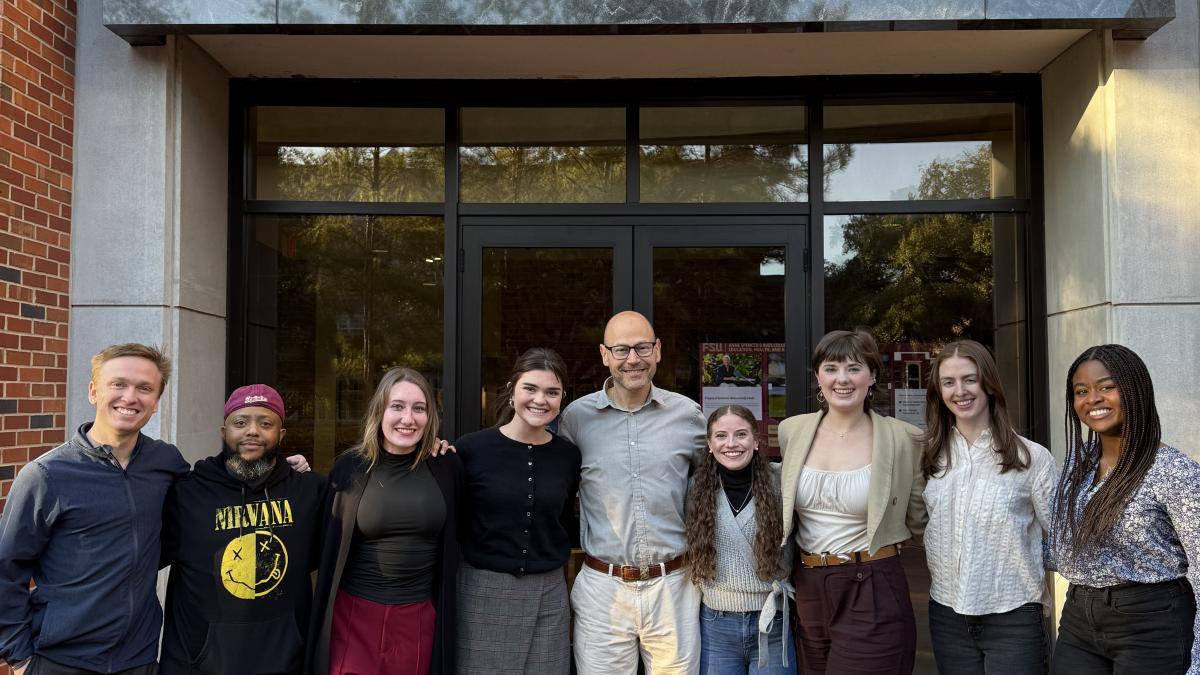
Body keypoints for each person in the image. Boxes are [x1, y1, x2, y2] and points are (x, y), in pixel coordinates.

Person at [0, 343, 189, 675]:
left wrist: (281, 473)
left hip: (139, 659)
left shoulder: (166, 462)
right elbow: (7, 568)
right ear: (93, 391)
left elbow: (210, 495)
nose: (130, 397)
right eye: (118, 384)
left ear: (156, 401)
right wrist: (19, 658)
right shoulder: (46, 475)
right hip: (60, 661)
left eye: (144, 388)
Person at [559, 310, 707, 674]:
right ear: (604, 355)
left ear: (658, 350)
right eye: (621, 349)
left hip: (674, 586)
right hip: (603, 589)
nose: (633, 359)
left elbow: (719, 482)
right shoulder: (576, 419)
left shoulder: (688, 416)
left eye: (642, 347)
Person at [778, 329, 926, 675]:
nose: (842, 379)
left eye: (854, 368)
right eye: (831, 368)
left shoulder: (904, 438)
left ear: (872, 376)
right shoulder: (792, 431)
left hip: (872, 585)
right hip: (808, 587)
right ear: (818, 376)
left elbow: (921, 521)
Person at [1048, 344, 1199, 675]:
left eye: (1106, 387)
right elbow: (1063, 545)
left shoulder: (1174, 471)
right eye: (1081, 391)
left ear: (1134, 390)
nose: (1093, 399)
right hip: (1079, 616)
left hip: (1152, 621)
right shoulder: (1078, 462)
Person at [159, 384, 327, 675]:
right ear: (223, 432)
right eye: (240, 422)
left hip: (287, 662)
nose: (252, 431)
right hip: (200, 664)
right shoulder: (186, 494)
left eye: (265, 423)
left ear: (281, 434)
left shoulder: (310, 492)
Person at [308, 367, 462, 675]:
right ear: (379, 411)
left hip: (417, 620)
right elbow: (322, 539)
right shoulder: (350, 468)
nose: (408, 418)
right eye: (397, 406)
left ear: (430, 417)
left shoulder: (446, 467)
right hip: (354, 618)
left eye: (419, 409)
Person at [920, 340, 1056, 674]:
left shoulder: (1031, 458)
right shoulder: (929, 455)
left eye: (970, 379)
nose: (960, 391)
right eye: (948, 382)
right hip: (947, 615)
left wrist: (1023, 558)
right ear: (938, 391)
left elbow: (1061, 536)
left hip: (1013, 616)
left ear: (989, 384)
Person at [454, 348, 581, 674]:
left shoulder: (568, 456)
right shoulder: (470, 449)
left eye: (552, 392)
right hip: (483, 592)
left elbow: (562, 521)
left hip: (549, 595)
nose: (541, 400)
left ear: (562, 399)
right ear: (512, 390)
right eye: (530, 388)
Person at [686, 405, 795, 675]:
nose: (731, 444)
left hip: (772, 621)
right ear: (709, 444)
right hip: (716, 625)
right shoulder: (695, 489)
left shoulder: (781, 482)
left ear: (756, 441)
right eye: (721, 436)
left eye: (741, 434)